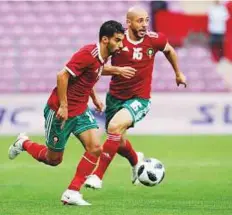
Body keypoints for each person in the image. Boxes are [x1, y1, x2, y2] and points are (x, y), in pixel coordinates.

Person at [8, 20, 136, 206]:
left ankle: (72, 192)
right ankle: (24, 143)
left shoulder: (102, 58)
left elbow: (90, 74)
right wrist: (64, 106)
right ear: (105, 39)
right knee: (53, 160)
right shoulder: (88, 53)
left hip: (81, 110)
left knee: (95, 148)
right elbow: (62, 75)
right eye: (118, 40)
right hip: (60, 111)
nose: (121, 45)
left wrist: (94, 97)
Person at [84, 6, 187, 189]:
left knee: (114, 128)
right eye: (140, 21)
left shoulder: (155, 40)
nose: (144, 25)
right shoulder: (117, 41)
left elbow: (169, 50)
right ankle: (135, 160)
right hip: (115, 97)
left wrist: (178, 73)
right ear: (128, 22)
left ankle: (97, 176)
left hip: (140, 98)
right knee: (118, 140)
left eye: (147, 20)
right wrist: (117, 70)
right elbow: (95, 66)